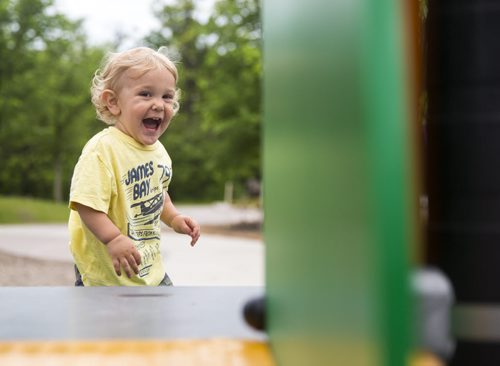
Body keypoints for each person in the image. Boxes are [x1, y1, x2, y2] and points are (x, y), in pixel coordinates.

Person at [68, 47, 200, 286]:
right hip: (106, 276)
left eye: (167, 96)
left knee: (163, 321)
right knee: (108, 324)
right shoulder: (103, 149)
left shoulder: (159, 152)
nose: (159, 105)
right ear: (114, 102)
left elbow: (158, 194)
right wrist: (113, 239)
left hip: (150, 271)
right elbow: (86, 204)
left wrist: (174, 218)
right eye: (146, 94)